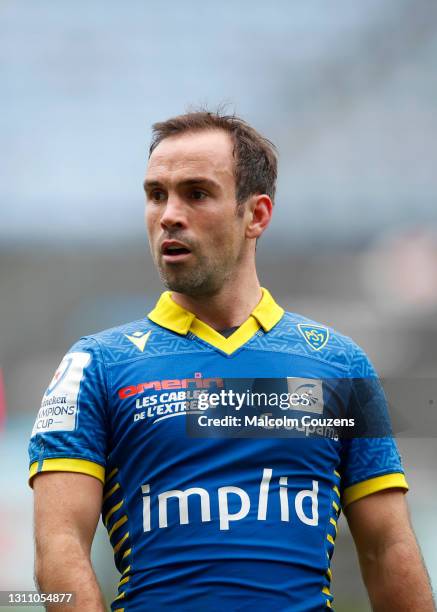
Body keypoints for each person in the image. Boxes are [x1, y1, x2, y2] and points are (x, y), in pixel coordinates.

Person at [28, 111, 434, 611]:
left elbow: (387, 547)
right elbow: (59, 550)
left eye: (196, 193)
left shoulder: (338, 363)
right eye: (156, 195)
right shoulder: (94, 366)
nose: (169, 215)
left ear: (256, 215)